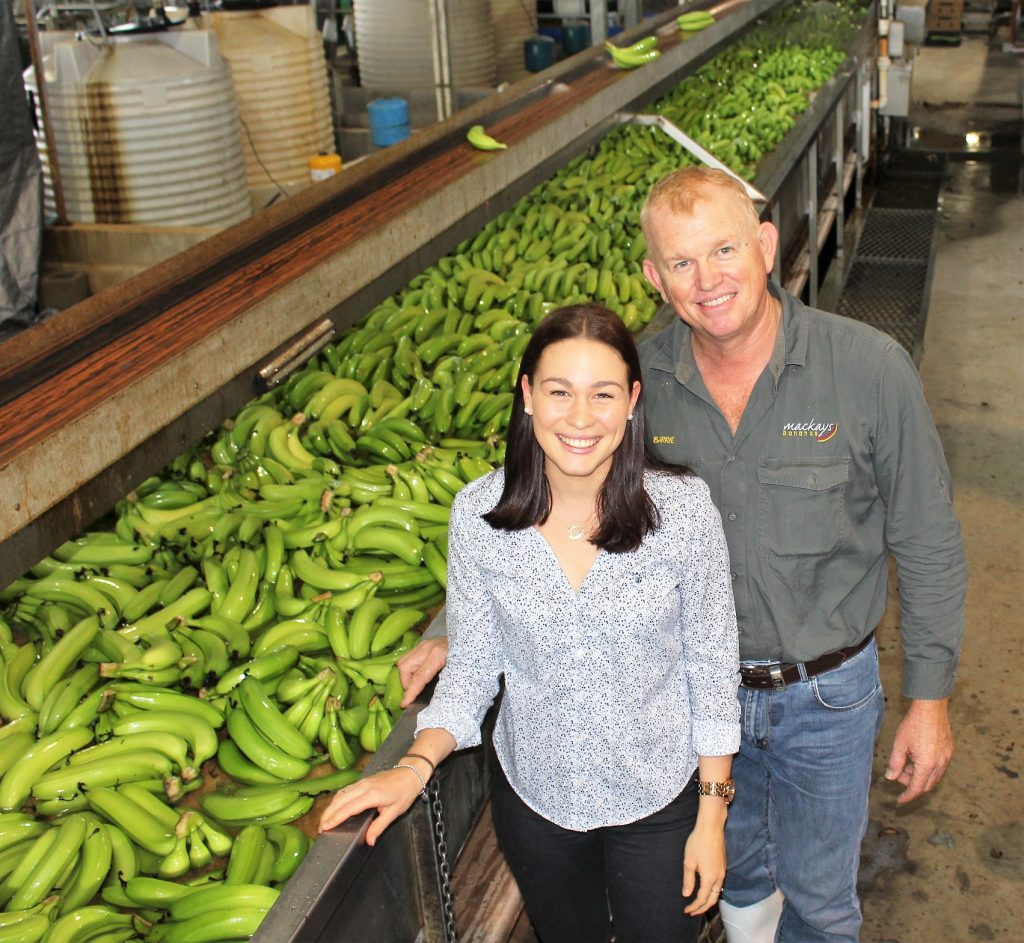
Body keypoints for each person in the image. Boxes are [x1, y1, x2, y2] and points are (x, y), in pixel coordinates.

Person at [397, 167, 967, 943]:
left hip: (823, 695)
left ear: (764, 245)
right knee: (735, 879)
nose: (709, 280)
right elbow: (554, 504)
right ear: (654, 278)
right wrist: (468, 632)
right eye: (682, 262)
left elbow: (928, 538)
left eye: (724, 249)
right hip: (683, 708)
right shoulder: (635, 384)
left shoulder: (867, 370)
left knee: (824, 898)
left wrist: (929, 698)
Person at [320, 303, 741, 943]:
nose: (579, 418)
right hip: (536, 802)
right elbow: (470, 671)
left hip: (659, 800)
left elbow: (712, 671)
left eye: (602, 394)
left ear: (632, 401)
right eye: (558, 392)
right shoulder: (481, 517)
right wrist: (412, 768)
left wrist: (711, 820)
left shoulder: (682, 515)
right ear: (527, 397)